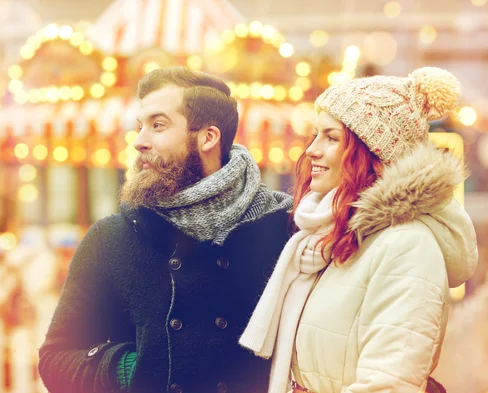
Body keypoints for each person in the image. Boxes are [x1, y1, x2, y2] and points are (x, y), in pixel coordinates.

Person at [38, 67, 293, 393]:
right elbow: (56, 359)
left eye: (157, 126)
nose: (139, 142)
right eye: (139, 127)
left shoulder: (283, 228)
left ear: (208, 137)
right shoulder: (112, 238)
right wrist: (129, 369)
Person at [239, 67, 478, 393]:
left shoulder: (407, 247)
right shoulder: (327, 237)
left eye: (332, 137)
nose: (312, 150)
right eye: (315, 134)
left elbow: (388, 385)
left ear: (373, 153)